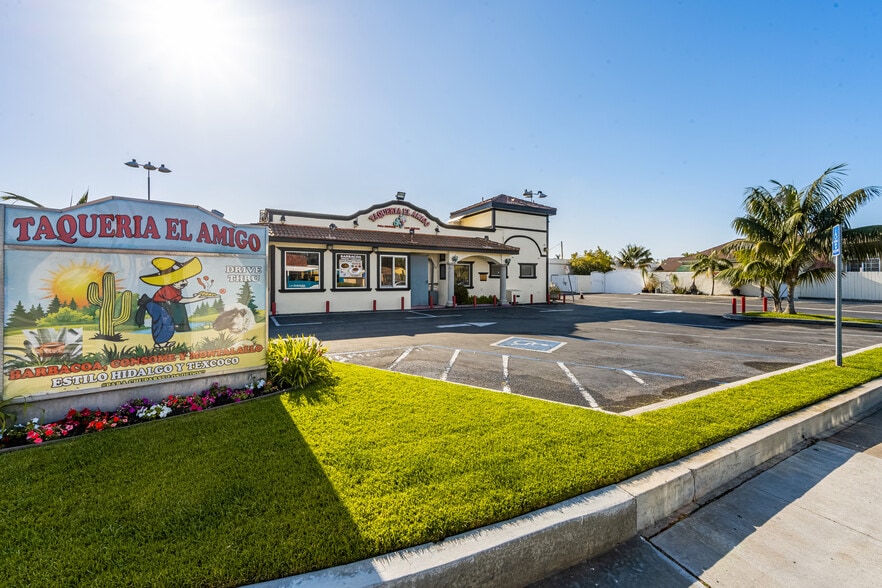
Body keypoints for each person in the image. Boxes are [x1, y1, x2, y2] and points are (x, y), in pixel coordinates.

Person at [136, 257, 214, 348]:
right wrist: (196, 298)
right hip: (156, 306)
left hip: (162, 306)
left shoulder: (174, 288)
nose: (185, 282)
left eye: (185, 279)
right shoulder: (167, 289)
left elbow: (178, 299)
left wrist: (197, 297)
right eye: (182, 280)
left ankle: (162, 342)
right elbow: (180, 300)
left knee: (167, 322)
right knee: (164, 322)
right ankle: (160, 343)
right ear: (173, 281)